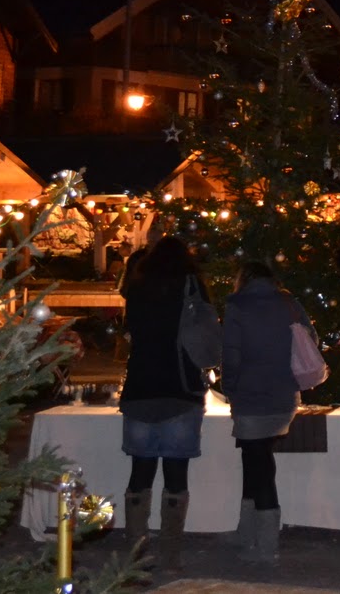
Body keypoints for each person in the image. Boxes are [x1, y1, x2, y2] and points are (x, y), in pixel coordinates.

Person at [118, 235, 210, 570]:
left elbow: (129, 331)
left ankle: (137, 550)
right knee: (176, 473)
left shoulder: (138, 288)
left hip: (141, 386)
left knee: (140, 471)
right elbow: (206, 332)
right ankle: (171, 553)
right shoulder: (191, 287)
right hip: (181, 388)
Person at [221, 259, 306, 565]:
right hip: (284, 395)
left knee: (259, 464)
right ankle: (247, 531)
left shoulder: (237, 307)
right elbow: (310, 341)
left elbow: (231, 354)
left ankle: (266, 544)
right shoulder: (289, 303)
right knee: (255, 458)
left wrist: (229, 388)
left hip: (250, 395)